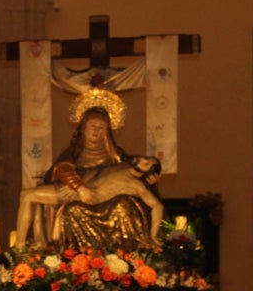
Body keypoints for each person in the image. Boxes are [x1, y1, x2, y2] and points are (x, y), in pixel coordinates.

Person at [14, 99, 163, 250]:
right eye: (92, 126)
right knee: (31, 196)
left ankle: (124, 249)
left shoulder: (117, 156)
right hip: (75, 192)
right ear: (84, 128)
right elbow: (61, 169)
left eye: (101, 127)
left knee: (124, 205)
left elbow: (139, 173)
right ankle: (20, 248)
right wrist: (79, 187)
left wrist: (151, 182)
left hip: (105, 202)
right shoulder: (74, 152)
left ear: (107, 131)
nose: (96, 131)